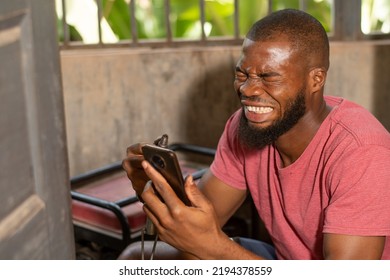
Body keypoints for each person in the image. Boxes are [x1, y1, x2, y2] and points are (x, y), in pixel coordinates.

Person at [120, 9, 390, 260]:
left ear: (316, 80)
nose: (248, 89)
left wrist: (215, 248)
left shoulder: (363, 153)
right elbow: (192, 234)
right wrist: (151, 187)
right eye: (242, 73)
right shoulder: (245, 127)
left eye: (268, 76)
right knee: (136, 257)